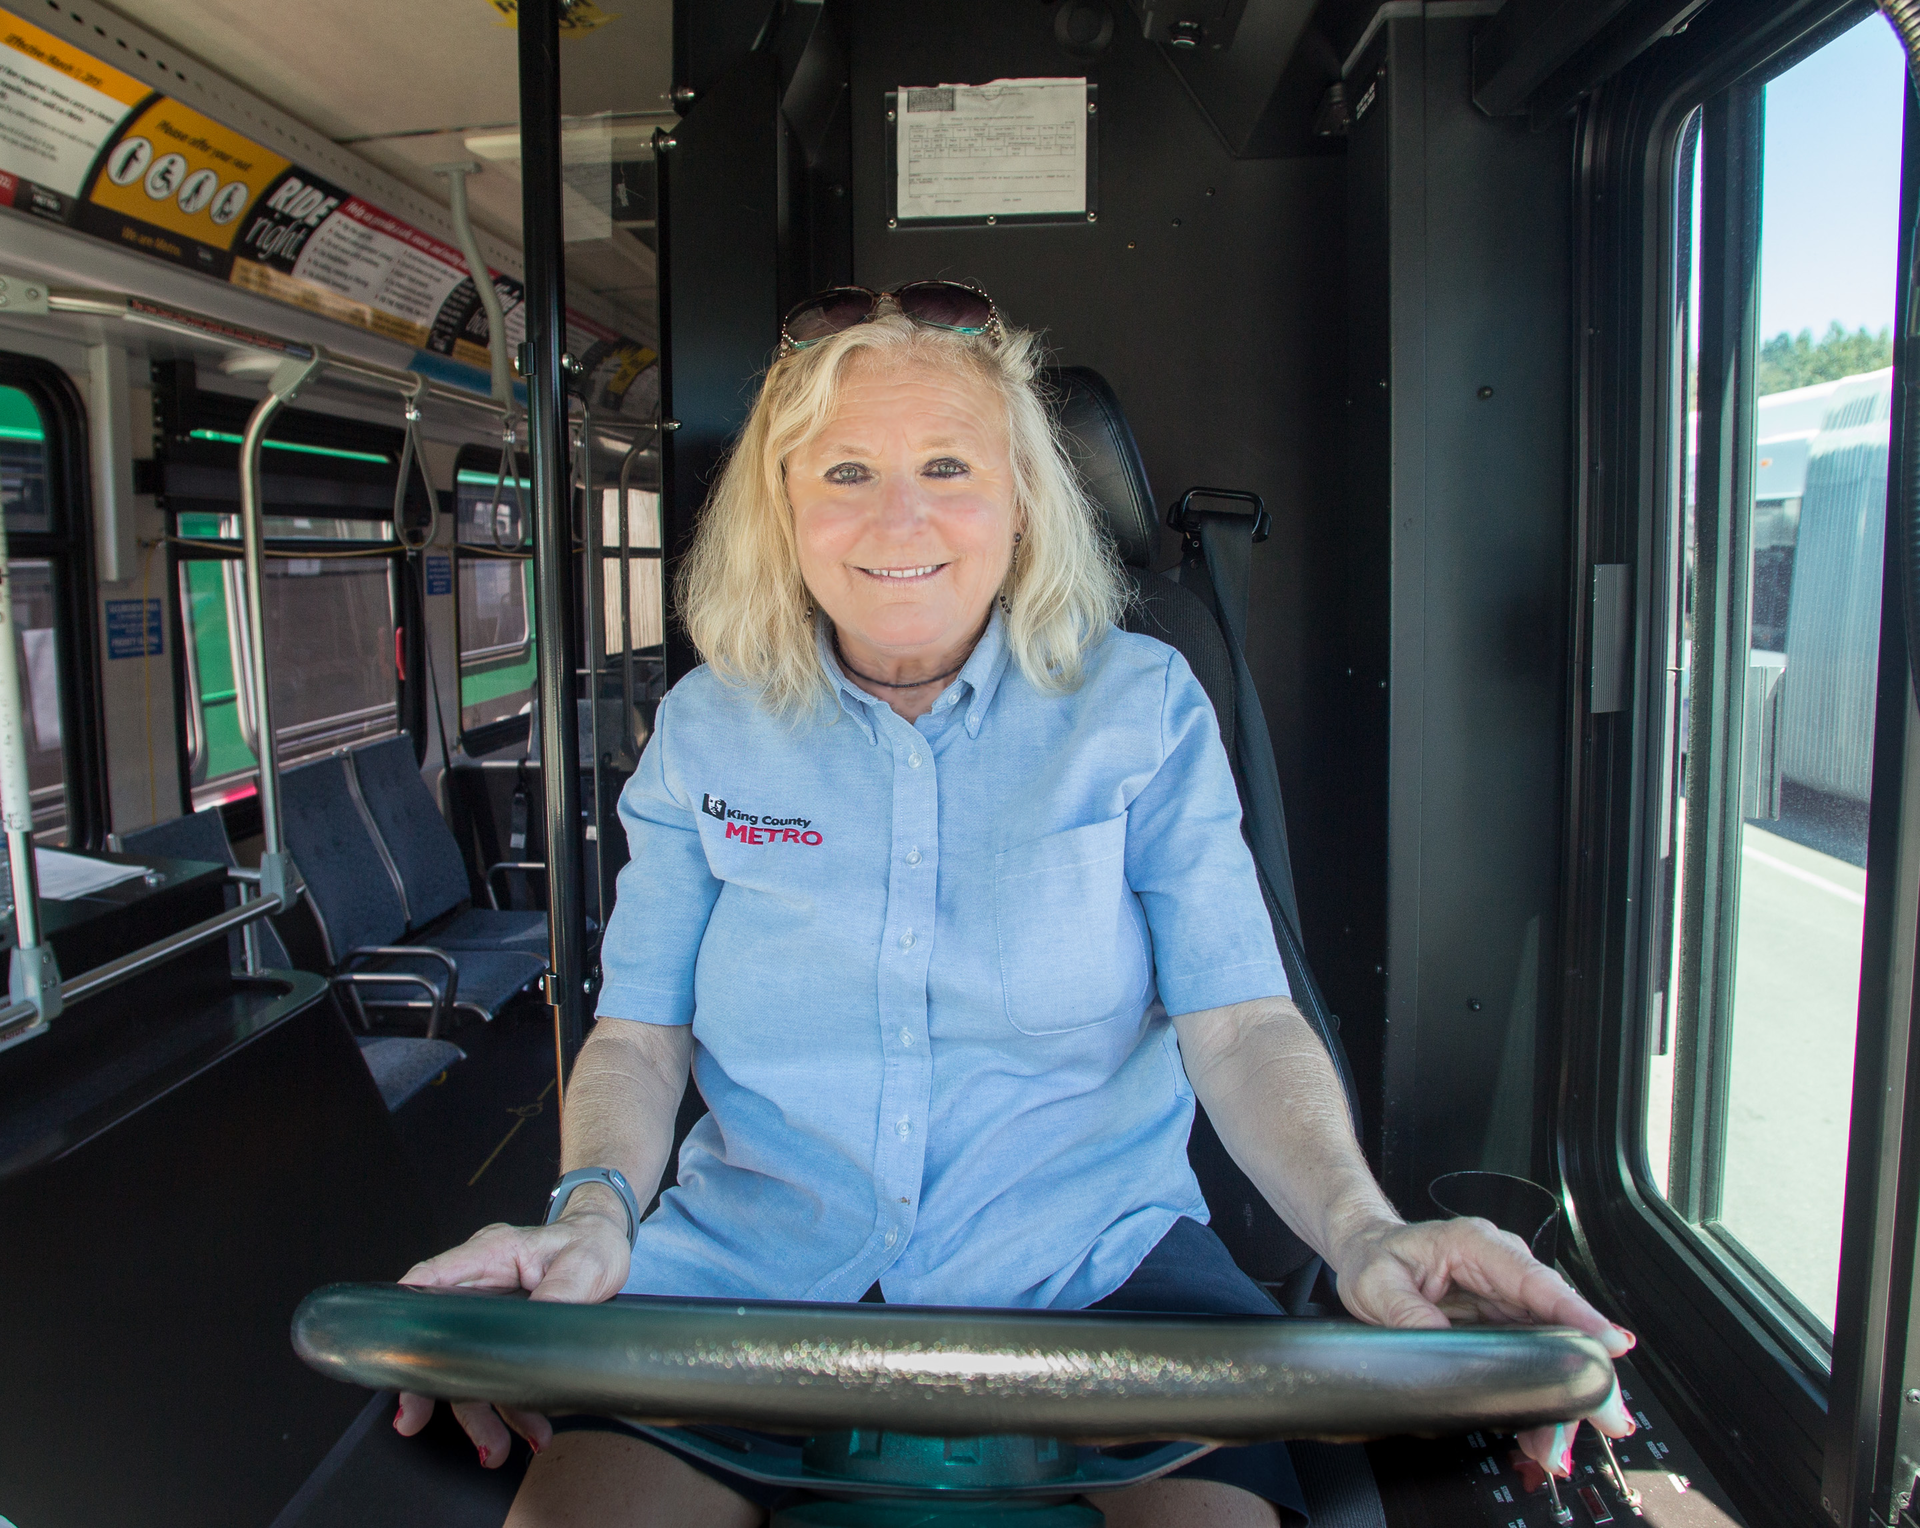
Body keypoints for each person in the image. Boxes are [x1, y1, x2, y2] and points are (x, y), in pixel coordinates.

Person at [395, 282, 1636, 1527]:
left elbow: (1241, 1021)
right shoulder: (705, 733)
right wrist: (594, 1209)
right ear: (781, 507)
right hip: (744, 1279)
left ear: (1025, 500)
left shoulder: (1141, 707)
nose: (901, 517)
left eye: (948, 464)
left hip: (1101, 1277)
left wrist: (1364, 1231)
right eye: (844, 474)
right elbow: (641, 1032)